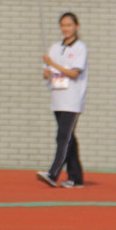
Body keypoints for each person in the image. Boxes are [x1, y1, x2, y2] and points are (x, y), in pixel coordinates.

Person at [36, 11, 88, 188]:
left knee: (63, 137)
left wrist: (53, 64)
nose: (66, 28)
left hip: (72, 100)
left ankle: (53, 173)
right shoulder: (54, 48)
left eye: (69, 25)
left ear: (76, 26)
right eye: (63, 25)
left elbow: (74, 73)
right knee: (69, 139)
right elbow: (47, 73)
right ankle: (76, 178)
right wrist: (47, 71)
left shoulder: (80, 48)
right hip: (57, 99)